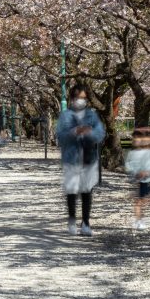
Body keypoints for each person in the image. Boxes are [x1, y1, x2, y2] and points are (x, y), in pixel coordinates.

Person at [56, 85, 105, 237]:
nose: (81, 101)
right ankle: (71, 221)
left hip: (89, 158)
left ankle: (85, 223)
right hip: (72, 158)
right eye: (78, 98)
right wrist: (74, 132)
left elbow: (100, 133)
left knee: (86, 191)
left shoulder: (92, 115)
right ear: (72, 99)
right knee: (71, 191)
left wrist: (89, 132)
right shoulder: (65, 115)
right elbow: (60, 136)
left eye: (84, 98)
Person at [126, 128, 150, 229]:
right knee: (141, 201)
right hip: (142, 180)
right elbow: (130, 166)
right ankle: (139, 221)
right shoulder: (133, 153)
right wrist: (136, 174)